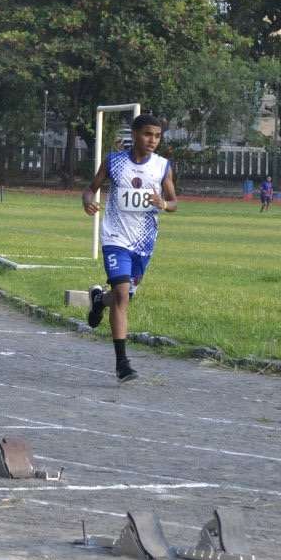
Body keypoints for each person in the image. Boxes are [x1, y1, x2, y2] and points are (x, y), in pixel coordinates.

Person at [82, 114, 177, 383]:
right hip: (115, 238)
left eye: (157, 136)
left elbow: (174, 203)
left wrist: (163, 204)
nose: (153, 141)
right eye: (148, 134)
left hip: (144, 243)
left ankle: (100, 300)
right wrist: (87, 202)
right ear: (134, 135)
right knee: (122, 295)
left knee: (122, 298)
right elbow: (90, 189)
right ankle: (122, 364)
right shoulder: (114, 161)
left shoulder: (162, 167)